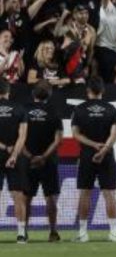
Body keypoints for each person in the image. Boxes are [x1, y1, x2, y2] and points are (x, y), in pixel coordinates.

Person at [71, 76, 116, 243]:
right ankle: (113, 232)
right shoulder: (111, 109)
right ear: (102, 91)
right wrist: (104, 149)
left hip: (87, 155)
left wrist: (93, 145)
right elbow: (115, 133)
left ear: (88, 91)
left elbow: (76, 134)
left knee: (85, 193)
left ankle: (83, 233)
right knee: (109, 193)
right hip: (106, 155)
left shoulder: (79, 109)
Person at [22, 80, 62, 242]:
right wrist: (44, 156)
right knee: (51, 197)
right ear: (49, 95)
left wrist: (31, 157)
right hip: (49, 161)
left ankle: (22, 231)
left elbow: (20, 138)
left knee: (26, 198)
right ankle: (53, 232)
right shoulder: (53, 111)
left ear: (33, 94)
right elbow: (58, 139)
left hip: (27, 161)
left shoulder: (24, 110)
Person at [0, 78, 29, 243]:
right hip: (16, 157)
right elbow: (22, 136)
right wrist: (13, 155)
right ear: (8, 91)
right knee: (18, 195)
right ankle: (20, 234)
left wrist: (4, 148)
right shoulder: (19, 109)